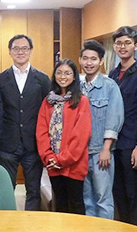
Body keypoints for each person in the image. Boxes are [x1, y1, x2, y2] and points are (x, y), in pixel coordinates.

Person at [0, 34, 50, 211]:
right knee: (6, 189)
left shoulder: (42, 79)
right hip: (7, 144)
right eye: (16, 48)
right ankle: (7, 226)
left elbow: (48, 112)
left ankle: (30, 226)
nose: (20, 52)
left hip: (33, 144)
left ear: (31, 51)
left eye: (24, 48)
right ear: (10, 52)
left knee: (33, 190)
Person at [107, 26, 137, 227]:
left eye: (127, 43)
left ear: (135, 46)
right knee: (117, 190)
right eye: (118, 43)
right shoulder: (113, 73)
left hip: (131, 142)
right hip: (114, 142)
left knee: (133, 192)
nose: (122, 46)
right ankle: (122, 231)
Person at [36, 59, 91, 214]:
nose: (63, 76)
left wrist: (62, 159)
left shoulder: (81, 101)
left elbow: (80, 136)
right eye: (59, 72)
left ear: (74, 77)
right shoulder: (48, 102)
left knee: (76, 204)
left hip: (74, 164)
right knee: (59, 204)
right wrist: (48, 157)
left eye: (68, 73)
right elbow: (41, 131)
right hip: (53, 164)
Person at [78, 40, 124, 219]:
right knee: (87, 199)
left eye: (94, 59)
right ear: (80, 60)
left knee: (103, 199)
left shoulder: (109, 85)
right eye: (86, 59)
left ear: (101, 61)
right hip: (80, 153)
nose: (89, 63)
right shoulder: (78, 86)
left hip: (100, 152)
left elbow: (115, 117)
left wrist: (106, 148)